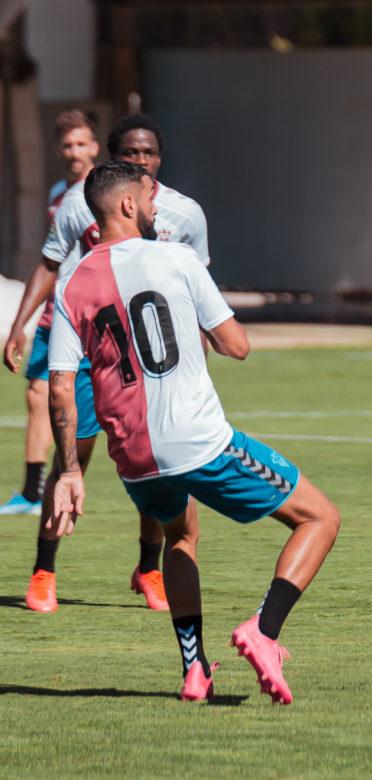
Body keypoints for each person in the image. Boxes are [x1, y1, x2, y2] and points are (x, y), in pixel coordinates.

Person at [46, 161, 340, 703]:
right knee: (320, 518)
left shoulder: (69, 284)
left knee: (181, 535)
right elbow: (237, 345)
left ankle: (195, 669)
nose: (158, 207)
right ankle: (264, 630)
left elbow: (61, 386)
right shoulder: (176, 258)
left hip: (133, 458)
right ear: (129, 206)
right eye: (150, 198)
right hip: (198, 442)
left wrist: (68, 471)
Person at [7, 113, 211, 613]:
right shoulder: (81, 203)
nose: (139, 161)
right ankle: (44, 571)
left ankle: (149, 570)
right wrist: (20, 321)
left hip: (146, 359)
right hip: (86, 347)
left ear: (159, 159)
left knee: (155, 463)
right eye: (130, 153)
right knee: (71, 457)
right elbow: (51, 262)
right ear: (113, 156)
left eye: (148, 154)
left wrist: (200, 339)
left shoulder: (185, 215)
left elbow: (199, 282)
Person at [0, 110, 99, 516]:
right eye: (68, 145)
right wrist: (22, 321)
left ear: (95, 146)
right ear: (59, 149)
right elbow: (52, 258)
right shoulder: (59, 192)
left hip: (93, 315)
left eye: (82, 143)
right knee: (36, 393)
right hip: (55, 311)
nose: (75, 151)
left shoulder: (105, 191)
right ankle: (30, 490)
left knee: (100, 404)